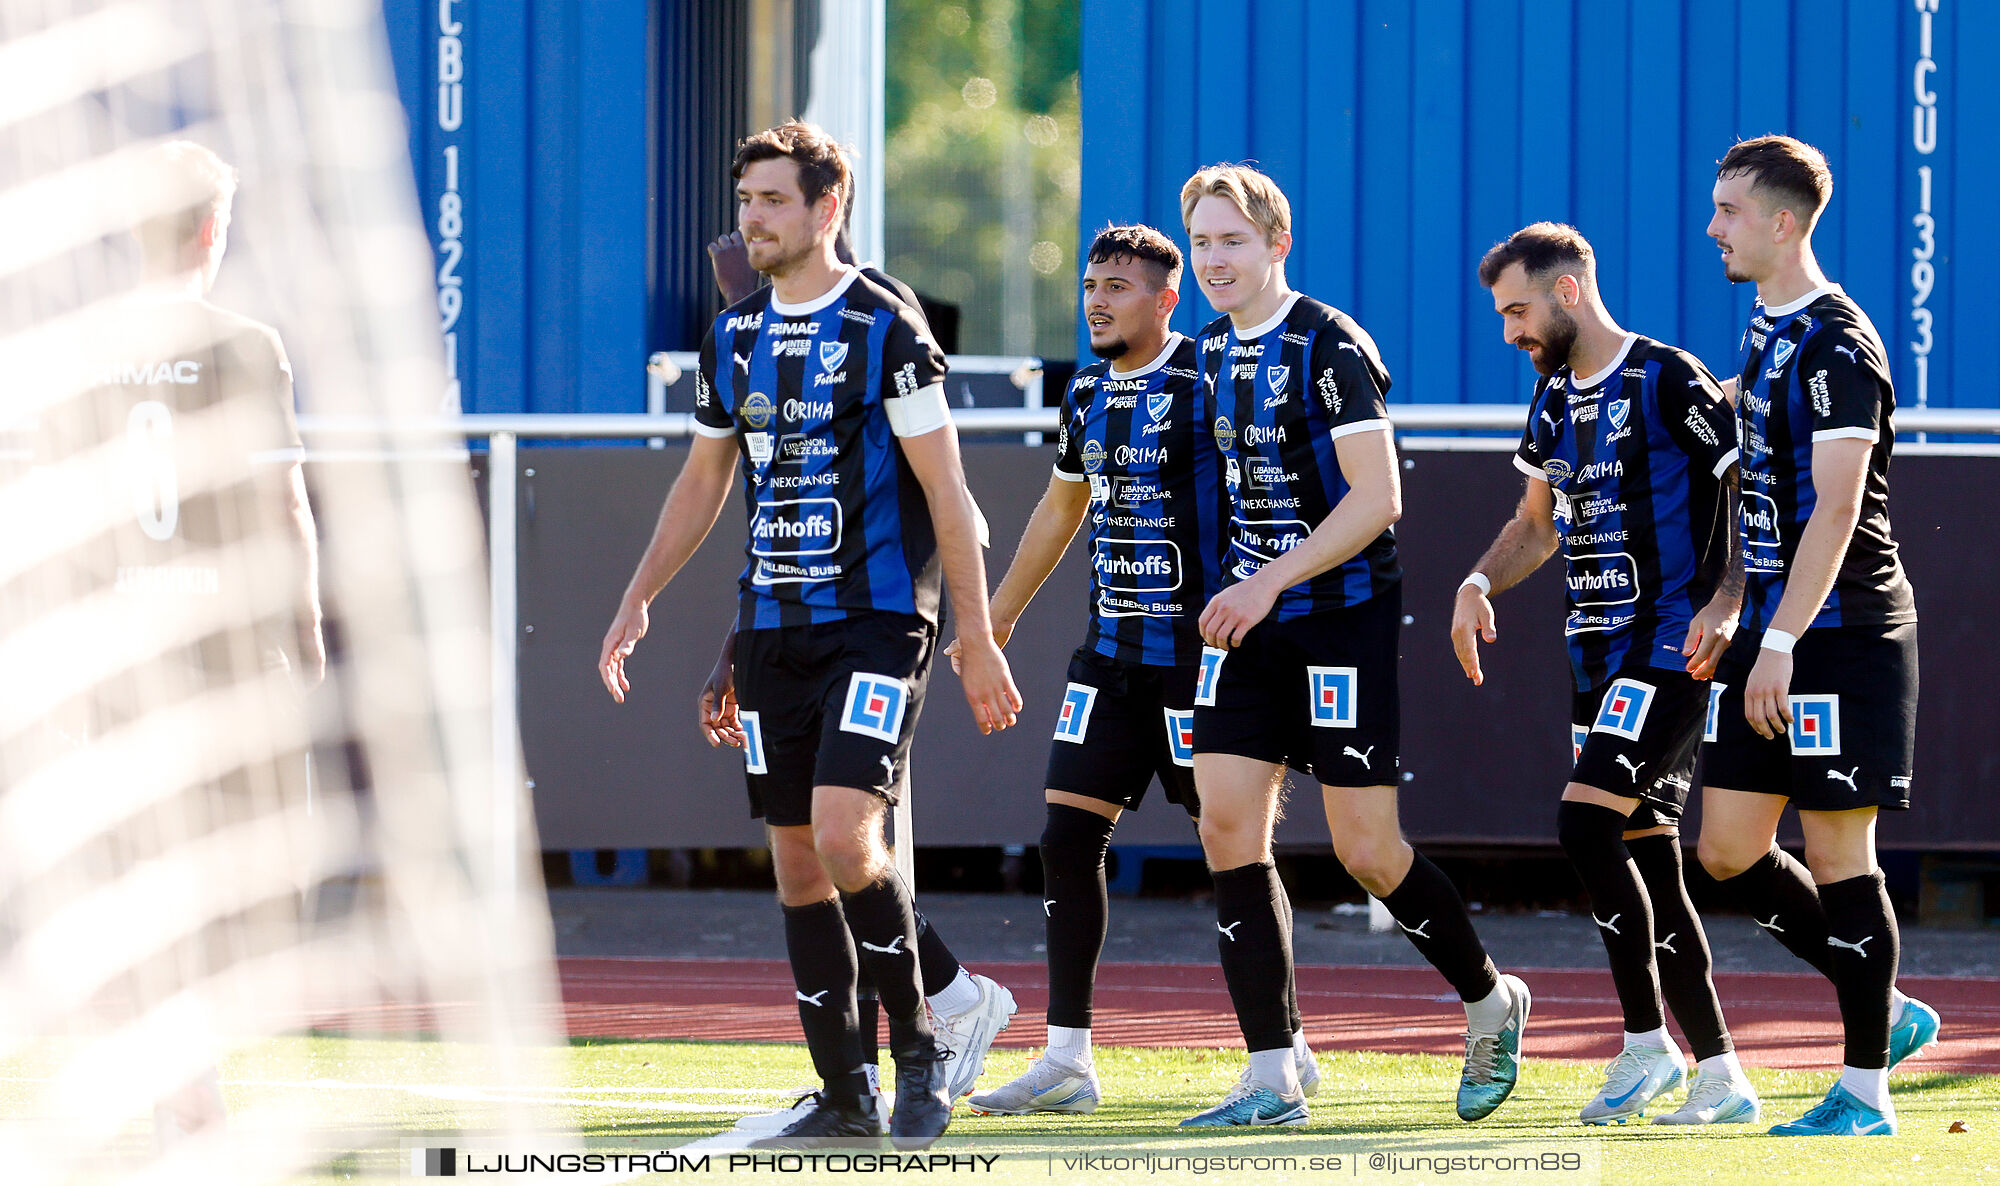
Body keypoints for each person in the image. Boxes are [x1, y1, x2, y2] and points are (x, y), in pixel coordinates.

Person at [597, 121, 1020, 1149]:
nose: (751, 221)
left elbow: (946, 487)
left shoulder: (885, 325)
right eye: (744, 202)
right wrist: (640, 595)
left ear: (828, 208)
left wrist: (974, 634)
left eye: (773, 202)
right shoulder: (732, 335)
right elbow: (705, 481)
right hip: (772, 630)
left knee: (843, 835)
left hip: (876, 624)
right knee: (794, 864)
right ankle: (843, 1091)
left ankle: (922, 1052)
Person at [934, 224, 1317, 1115]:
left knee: (1237, 854)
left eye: (1118, 286)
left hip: (1206, 665)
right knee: (1066, 840)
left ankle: (1283, 1050)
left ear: (1165, 300)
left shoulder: (1209, 376)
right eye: (1090, 284)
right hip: (1108, 660)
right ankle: (1068, 1057)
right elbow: (1061, 506)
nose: (1098, 300)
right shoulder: (1086, 393)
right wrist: (995, 615)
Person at [1177, 164, 1528, 1127]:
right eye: (1203, 242)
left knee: (1367, 851)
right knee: (1223, 828)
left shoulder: (1329, 343)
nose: (1216, 259)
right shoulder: (1203, 351)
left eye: (1233, 240)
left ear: (1278, 244)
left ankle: (1491, 1000)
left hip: (1339, 619)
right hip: (1248, 624)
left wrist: (1266, 578)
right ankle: (1271, 1070)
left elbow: (1379, 501)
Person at [38, 139, 323, 1145]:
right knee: (234, 881)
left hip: (117, 647)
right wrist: (309, 634)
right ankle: (186, 1085)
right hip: (222, 647)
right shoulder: (244, 342)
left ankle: (167, 1075)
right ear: (214, 229)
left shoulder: (76, 349)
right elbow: (280, 498)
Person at [1456, 223, 1756, 1125]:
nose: (1510, 331)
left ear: (1569, 290)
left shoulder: (1670, 377)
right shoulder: (1552, 400)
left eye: (1518, 309)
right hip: (1593, 656)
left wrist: (1731, 598)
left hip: (1672, 644)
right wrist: (1475, 580)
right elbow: (1534, 524)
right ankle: (1720, 1074)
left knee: (1583, 826)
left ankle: (1643, 1045)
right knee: (1647, 862)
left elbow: (1749, 490)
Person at [1695, 135, 1939, 1137]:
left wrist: (1782, 637)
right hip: (1770, 625)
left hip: (1839, 637)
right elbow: (1763, 492)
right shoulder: (1761, 323)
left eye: (1728, 211)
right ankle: (1880, 1005)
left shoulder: (1839, 342)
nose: (1712, 228)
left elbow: (1834, 511)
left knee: (1841, 856)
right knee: (1722, 849)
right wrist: (1730, 602)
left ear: (1783, 221)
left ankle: (1863, 1092)